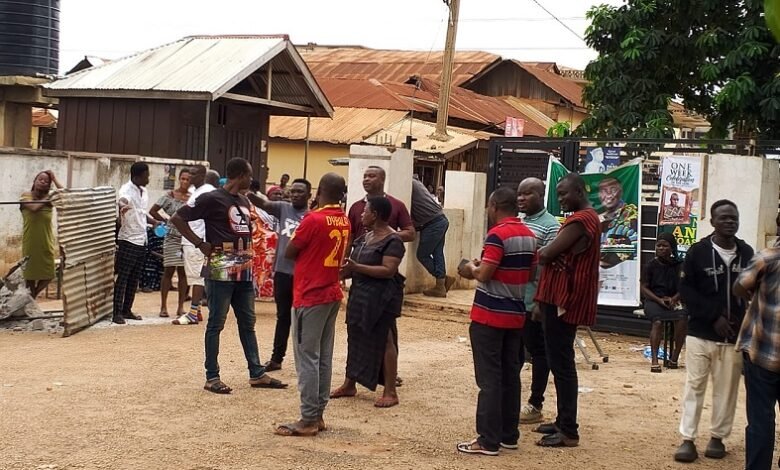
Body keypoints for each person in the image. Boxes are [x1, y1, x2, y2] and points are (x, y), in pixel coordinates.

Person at [171, 158, 286, 393]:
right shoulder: (211, 198)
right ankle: (212, 376)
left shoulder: (243, 200)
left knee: (248, 323)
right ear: (241, 175)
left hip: (243, 271)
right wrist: (199, 243)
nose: (251, 179)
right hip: (220, 268)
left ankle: (256, 372)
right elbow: (177, 218)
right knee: (216, 323)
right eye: (249, 175)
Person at [455, 187, 536, 456]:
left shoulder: (497, 234)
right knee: (510, 376)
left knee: (489, 379)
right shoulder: (529, 235)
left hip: (489, 316)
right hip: (515, 314)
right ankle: (508, 435)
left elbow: (485, 274)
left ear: (494, 206)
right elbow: (530, 271)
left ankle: (487, 440)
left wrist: (469, 268)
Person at [674, 200, 753, 463]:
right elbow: (685, 291)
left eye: (734, 218)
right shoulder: (697, 252)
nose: (730, 222)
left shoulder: (747, 252)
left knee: (726, 389)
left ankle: (718, 437)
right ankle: (688, 439)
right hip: (700, 334)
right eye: (724, 218)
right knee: (694, 386)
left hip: (733, 337)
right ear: (712, 222)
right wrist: (713, 316)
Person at [275, 173, 350, 437]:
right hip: (331, 291)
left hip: (310, 293)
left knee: (307, 357)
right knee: (323, 357)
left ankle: (308, 418)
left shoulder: (313, 219)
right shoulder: (344, 220)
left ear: (319, 192)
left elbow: (290, 251)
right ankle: (317, 414)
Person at [533, 173, 601, 448]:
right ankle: (562, 421)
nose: (561, 199)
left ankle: (569, 430)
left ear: (580, 191)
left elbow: (548, 254)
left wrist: (540, 251)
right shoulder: (583, 218)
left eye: (564, 194)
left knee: (562, 362)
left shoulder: (581, 220)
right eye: (558, 195)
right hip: (557, 295)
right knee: (558, 358)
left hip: (565, 298)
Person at [329, 197, 406, 408]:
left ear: (376, 215)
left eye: (366, 212)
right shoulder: (364, 238)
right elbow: (351, 265)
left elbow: (388, 270)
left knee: (385, 339)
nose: (361, 215)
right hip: (361, 294)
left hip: (382, 297)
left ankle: (390, 391)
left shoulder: (393, 240)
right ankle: (349, 383)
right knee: (355, 336)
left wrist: (356, 268)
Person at [246, 178, 312, 372]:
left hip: (303, 274)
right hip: (283, 272)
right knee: (283, 316)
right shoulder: (283, 208)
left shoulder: (312, 216)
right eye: (293, 191)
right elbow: (263, 204)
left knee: (303, 318)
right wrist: (247, 191)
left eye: (300, 191)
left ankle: (304, 361)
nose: (296, 194)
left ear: (309, 195)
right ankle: (277, 359)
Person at [516, 177, 560, 425]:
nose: (521, 198)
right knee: (514, 352)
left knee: (538, 353)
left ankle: (535, 403)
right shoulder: (519, 221)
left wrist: (539, 303)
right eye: (519, 194)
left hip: (533, 303)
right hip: (513, 300)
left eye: (528, 193)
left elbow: (547, 270)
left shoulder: (551, 227)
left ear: (541, 195)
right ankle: (512, 398)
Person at [733, 239, 780, 470]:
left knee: (761, 421)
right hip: (764, 353)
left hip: (763, 353)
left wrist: (753, 295)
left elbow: (739, 286)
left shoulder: (767, 257)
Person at [114, 162, 159, 324]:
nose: (148, 179)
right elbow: (122, 201)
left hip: (142, 238)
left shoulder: (144, 191)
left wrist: (153, 221)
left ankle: (127, 310)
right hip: (128, 238)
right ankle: (117, 312)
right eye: (146, 176)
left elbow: (141, 212)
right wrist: (122, 207)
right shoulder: (126, 190)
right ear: (137, 177)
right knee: (123, 277)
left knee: (134, 278)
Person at [173, 166, 218, 325]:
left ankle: (192, 312)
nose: (190, 177)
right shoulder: (199, 191)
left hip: (198, 240)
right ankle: (196, 311)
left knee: (197, 277)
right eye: (189, 173)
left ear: (203, 175)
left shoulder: (205, 192)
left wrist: (199, 242)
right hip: (193, 240)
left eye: (194, 174)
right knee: (194, 275)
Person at [640, 233, 687, 373]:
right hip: (654, 300)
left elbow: (686, 285)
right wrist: (659, 300)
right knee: (658, 322)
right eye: (658, 245)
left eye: (665, 246)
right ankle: (655, 360)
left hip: (674, 300)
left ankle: (674, 358)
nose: (661, 248)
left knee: (682, 318)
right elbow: (643, 287)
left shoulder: (680, 265)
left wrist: (674, 298)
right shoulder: (650, 265)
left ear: (672, 248)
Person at [149, 168, 191, 318]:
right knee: (169, 270)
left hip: (186, 237)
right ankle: (163, 306)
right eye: (183, 178)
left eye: (188, 179)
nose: (185, 182)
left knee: (183, 273)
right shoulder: (170, 196)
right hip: (172, 236)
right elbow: (153, 210)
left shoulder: (192, 198)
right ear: (179, 179)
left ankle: (180, 307)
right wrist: (165, 221)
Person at [20, 170, 63, 297]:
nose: (43, 182)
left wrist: (54, 178)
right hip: (30, 243)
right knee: (30, 277)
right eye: (40, 179)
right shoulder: (26, 196)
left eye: (46, 181)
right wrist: (49, 196)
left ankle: (32, 297)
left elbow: (65, 194)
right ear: (34, 181)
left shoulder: (49, 199)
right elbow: (33, 208)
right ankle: (30, 300)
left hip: (46, 242)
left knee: (49, 274)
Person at [410, 177, 454, 297]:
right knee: (437, 252)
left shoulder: (409, 185)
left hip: (432, 223)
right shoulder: (416, 183)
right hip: (441, 219)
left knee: (422, 255)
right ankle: (440, 285)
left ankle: (442, 280)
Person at [247, 185, 280, 300]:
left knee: (272, 271)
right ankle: (257, 293)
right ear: (268, 195)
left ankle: (270, 294)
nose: (278, 196)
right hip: (259, 246)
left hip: (275, 248)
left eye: (280, 194)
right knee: (258, 270)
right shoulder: (258, 210)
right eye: (275, 193)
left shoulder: (282, 211)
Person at [597, 177, 638, 269]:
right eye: (604, 191)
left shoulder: (632, 215)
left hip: (624, 273)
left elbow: (635, 246)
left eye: (613, 190)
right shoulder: (596, 218)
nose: (608, 195)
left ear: (621, 192)